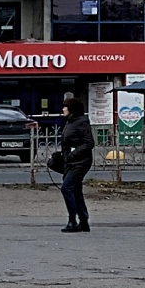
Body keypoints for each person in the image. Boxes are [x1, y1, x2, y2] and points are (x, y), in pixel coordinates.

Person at [56, 95, 94, 232]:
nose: (63, 109)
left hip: (80, 162)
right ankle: (83, 221)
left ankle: (72, 220)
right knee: (76, 190)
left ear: (71, 109)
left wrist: (73, 153)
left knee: (67, 188)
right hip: (71, 162)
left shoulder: (81, 122)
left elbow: (89, 142)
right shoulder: (70, 122)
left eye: (65, 107)